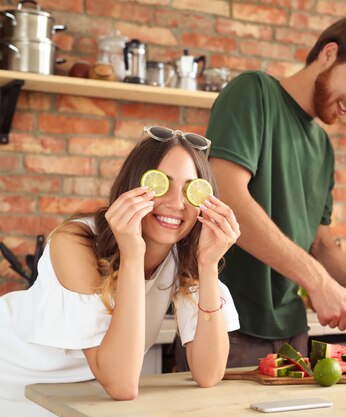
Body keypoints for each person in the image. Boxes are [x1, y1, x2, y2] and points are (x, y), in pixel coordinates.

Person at [205, 16, 346, 367]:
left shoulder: (322, 147)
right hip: (228, 323)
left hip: (292, 331)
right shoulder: (254, 92)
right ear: (329, 54)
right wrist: (318, 282)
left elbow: (322, 245)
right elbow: (227, 198)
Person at [0, 126, 241, 416]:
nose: (177, 204)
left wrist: (208, 266)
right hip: (13, 377)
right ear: (132, 187)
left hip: (78, 397)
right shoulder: (74, 242)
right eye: (161, 184)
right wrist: (132, 253)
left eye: (191, 190)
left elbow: (209, 373)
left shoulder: (185, 253)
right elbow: (122, 385)